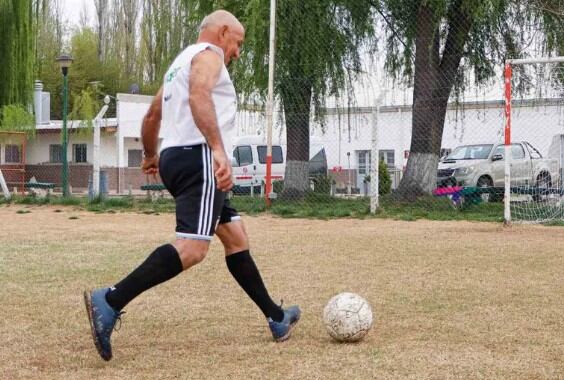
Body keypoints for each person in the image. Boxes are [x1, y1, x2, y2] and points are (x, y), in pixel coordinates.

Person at [83, 10, 300, 361]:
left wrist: (152, 155)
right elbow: (200, 94)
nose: (237, 53)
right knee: (193, 248)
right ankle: (109, 300)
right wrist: (217, 150)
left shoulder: (178, 64)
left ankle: (276, 317)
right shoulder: (209, 57)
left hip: (175, 157)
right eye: (238, 43)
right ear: (223, 32)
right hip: (198, 157)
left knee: (235, 236)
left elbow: (152, 116)